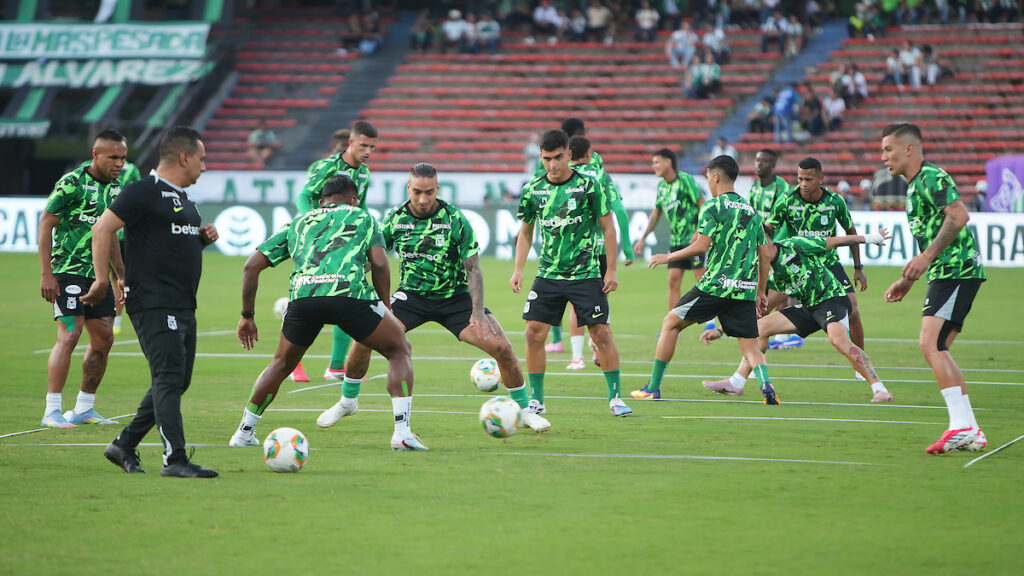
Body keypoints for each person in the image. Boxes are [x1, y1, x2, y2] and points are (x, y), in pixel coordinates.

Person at [315, 164, 550, 434]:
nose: (423, 198)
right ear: (408, 188)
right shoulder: (395, 219)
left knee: (503, 348)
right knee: (362, 340)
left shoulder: (454, 219)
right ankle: (347, 402)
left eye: (429, 192)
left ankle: (524, 411)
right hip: (411, 297)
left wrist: (477, 312)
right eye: (417, 192)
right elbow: (374, 259)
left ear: (437, 189)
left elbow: (473, 268)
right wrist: (345, 272)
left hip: (455, 298)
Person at [229, 175, 424, 451]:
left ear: (321, 202)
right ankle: (402, 433)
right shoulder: (362, 217)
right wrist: (386, 307)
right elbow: (380, 263)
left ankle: (244, 432)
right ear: (354, 199)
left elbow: (251, 266)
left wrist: (247, 315)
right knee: (399, 349)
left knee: (280, 364)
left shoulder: (298, 222)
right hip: (350, 297)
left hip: (304, 300)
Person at [85, 126, 220, 477]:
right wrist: (103, 279)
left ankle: (124, 444)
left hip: (183, 302)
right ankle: (175, 459)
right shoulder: (143, 191)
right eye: (202, 159)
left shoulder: (184, 199)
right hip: (154, 301)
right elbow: (102, 229)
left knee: (176, 380)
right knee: (169, 376)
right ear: (184, 157)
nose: (204, 167)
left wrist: (201, 239)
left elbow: (168, 243)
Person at [631, 155, 777, 404]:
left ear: (716, 177)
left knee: (670, 324)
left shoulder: (712, 207)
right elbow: (765, 254)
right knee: (749, 345)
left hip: (715, 285)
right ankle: (766, 384)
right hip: (744, 288)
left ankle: (653, 388)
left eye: (708, 177)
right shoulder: (751, 210)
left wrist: (668, 257)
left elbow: (701, 246)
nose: (708, 182)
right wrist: (760, 291)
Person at [509, 129, 632, 417]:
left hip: (586, 273)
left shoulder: (588, 185)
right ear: (541, 157)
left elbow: (608, 228)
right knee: (533, 333)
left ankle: (616, 398)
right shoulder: (532, 189)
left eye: (558, 157)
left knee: (601, 333)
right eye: (546, 159)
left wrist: (612, 270)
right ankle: (537, 400)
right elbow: (525, 233)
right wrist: (518, 269)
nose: (552, 165)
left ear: (568, 154)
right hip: (548, 274)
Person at [880, 122, 987, 454]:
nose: (883, 157)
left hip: (956, 269)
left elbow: (959, 216)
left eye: (888, 149)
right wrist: (909, 279)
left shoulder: (930, 177)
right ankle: (969, 429)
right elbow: (933, 234)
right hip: (947, 271)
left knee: (930, 345)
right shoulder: (915, 186)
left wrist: (925, 258)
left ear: (908, 148)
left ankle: (961, 426)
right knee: (938, 346)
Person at [701, 230, 895, 403]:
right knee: (758, 329)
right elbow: (751, 309)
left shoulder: (795, 245)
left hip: (831, 298)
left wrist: (870, 238)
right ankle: (736, 383)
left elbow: (836, 241)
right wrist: (720, 330)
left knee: (839, 341)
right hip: (808, 307)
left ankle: (880, 390)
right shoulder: (762, 272)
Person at [37, 129, 127, 429]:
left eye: (123, 158)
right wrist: (47, 274)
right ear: (95, 154)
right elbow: (46, 224)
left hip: (98, 276)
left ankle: (84, 408)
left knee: (104, 338)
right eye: (113, 157)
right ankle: (52, 410)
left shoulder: (116, 189)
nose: (119, 164)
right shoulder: (72, 183)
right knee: (70, 334)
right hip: (67, 271)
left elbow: (111, 236)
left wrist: (120, 275)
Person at [296, 121, 378, 383]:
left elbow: (361, 206)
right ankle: (292, 363)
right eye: (363, 145)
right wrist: (315, 225)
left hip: (345, 244)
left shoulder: (364, 173)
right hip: (317, 243)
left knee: (347, 295)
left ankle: (335, 366)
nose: (368, 151)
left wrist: (369, 231)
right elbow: (303, 196)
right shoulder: (327, 166)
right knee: (307, 299)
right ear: (351, 142)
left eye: (372, 147)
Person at [768, 158, 868, 360]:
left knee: (853, 311)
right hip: (798, 265)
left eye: (808, 179)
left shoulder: (834, 201)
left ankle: (861, 363)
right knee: (763, 307)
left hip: (828, 263)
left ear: (821, 178)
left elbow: (851, 232)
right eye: (800, 179)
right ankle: (751, 365)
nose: (803, 184)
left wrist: (858, 267)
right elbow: (767, 229)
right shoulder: (787, 200)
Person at [564, 136, 635, 370]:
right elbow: (619, 211)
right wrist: (627, 248)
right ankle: (598, 343)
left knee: (574, 303)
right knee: (600, 300)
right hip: (601, 249)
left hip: (574, 249)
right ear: (588, 153)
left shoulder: (563, 177)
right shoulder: (601, 175)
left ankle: (577, 358)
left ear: (568, 154)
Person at [633, 148, 706, 311]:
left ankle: (710, 321)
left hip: (693, 240)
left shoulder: (685, 180)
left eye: (657, 162)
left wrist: (699, 231)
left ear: (668, 161)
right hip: (676, 241)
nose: (654, 166)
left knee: (701, 279)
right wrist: (643, 237)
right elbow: (655, 214)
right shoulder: (661, 187)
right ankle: (672, 321)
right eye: (653, 163)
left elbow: (703, 204)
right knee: (673, 281)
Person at [78, 157, 141, 336]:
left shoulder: (86, 167)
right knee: (117, 278)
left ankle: (95, 316)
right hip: (121, 231)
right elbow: (137, 196)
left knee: (100, 274)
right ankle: (115, 320)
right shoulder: (132, 170)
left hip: (100, 231)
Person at [748, 148, 789, 223]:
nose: (759, 164)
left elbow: (785, 216)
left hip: (776, 230)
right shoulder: (754, 187)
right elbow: (750, 213)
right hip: (759, 230)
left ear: (773, 165)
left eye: (765, 161)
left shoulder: (782, 186)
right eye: (757, 160)